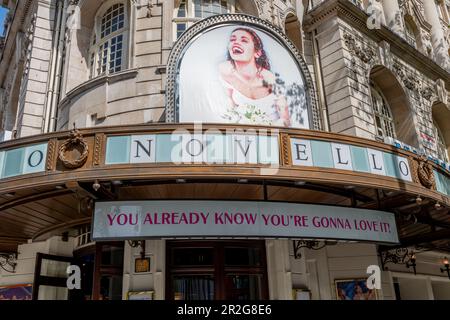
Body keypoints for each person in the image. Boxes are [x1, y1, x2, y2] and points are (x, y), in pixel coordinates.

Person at [218, 27, 291, 127]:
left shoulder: (271, 81)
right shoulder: (225, 70)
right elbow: (229, 108)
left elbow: (285, 120)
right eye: (232, 39)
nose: (236, 43)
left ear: (257, 53)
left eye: (244, 40)